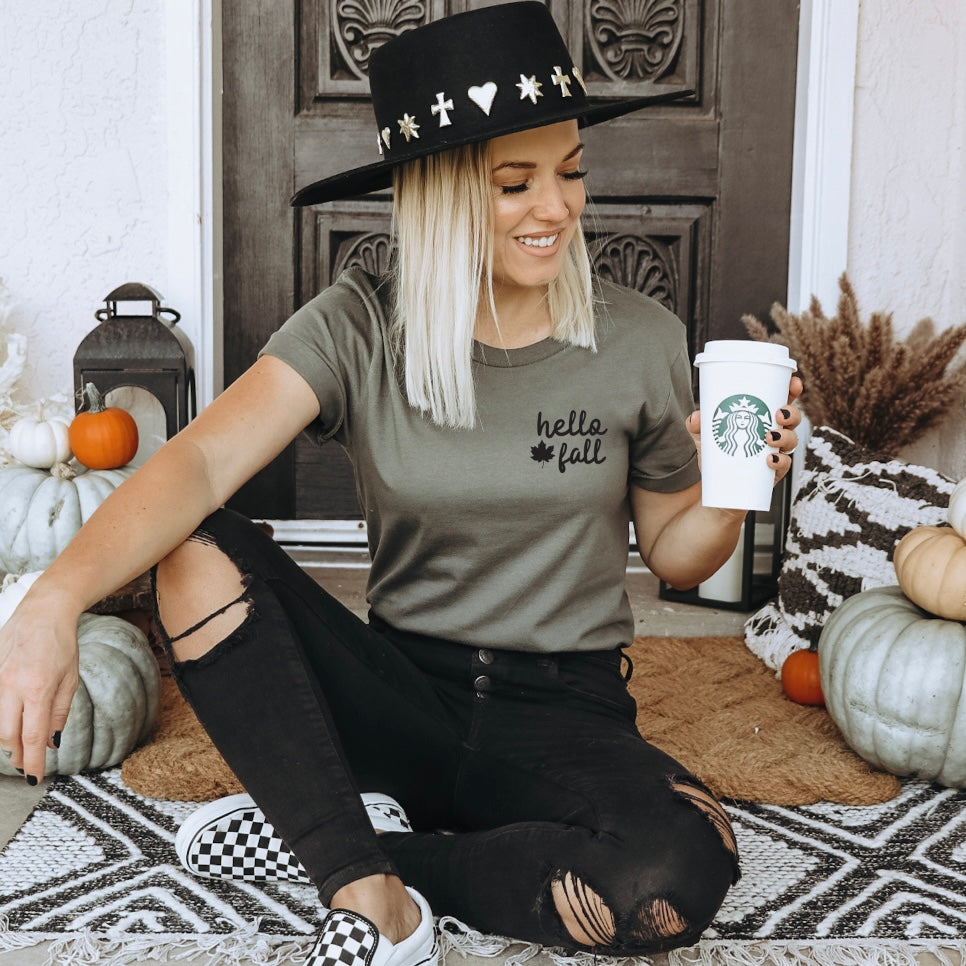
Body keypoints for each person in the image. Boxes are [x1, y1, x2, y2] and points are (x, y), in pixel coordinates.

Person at [0, 4, 802, 965]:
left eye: (571, 171)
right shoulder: (356, 324)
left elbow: (677, 548)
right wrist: (54, 600)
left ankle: (351, 843)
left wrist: (729, 484)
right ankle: (368, 893)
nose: (558, 208)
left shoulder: (639, 338)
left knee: (671, 879)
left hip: (565, 708)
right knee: (198, 544)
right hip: (395, 694)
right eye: (516, 182)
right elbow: (199, 461)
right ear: (439, 191)